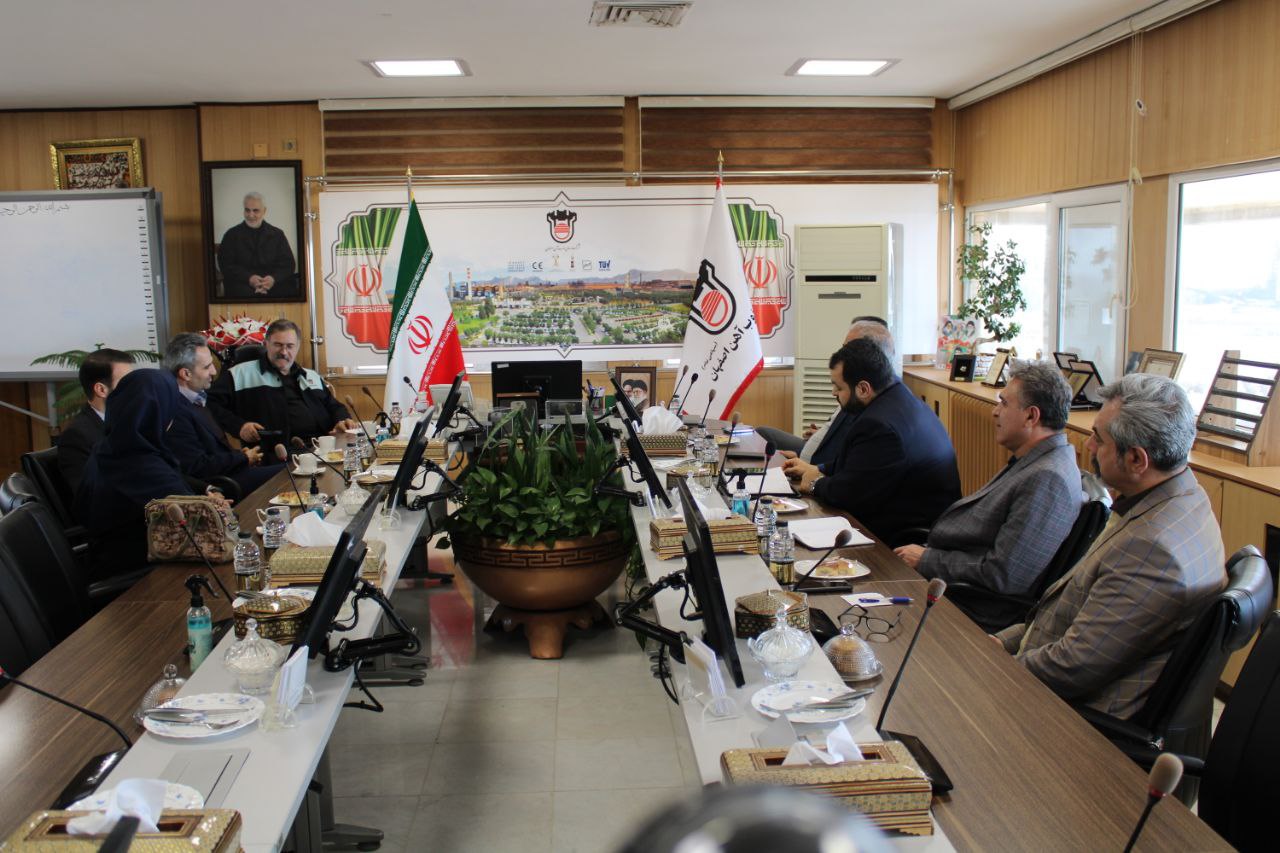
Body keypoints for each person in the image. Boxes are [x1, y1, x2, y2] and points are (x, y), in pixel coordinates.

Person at [996, 374, 1226, 720]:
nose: (1088, 446)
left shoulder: (1151, 550)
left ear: (1136, 460)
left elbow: (1071, 668)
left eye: (1098, 438)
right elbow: (1068, 618)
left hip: (1069, 719)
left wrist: (994, 665)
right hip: (1045, 665)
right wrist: (1003, 642)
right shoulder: (1187, 496)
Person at [894, 361, 1084, 626]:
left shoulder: (1047, 478)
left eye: (1004, 403)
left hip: (971, 606)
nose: (995, 412)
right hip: (952, 581)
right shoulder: (1037, 460)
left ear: (1031, 417)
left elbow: (1005, 574)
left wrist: (927, 559)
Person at [784, 338, 960, 546]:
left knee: (791, 533)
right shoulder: (898, 398)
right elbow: (861, 463)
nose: (834, 393)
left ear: (863, 389)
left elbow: (848, 494)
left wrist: (814, 484)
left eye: (838, 387)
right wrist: (816, 469)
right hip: (899, 516)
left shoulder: (880, 425)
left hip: (902, 539)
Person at [73, 369, 209, 581]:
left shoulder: (109, 447)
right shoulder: (141, 464)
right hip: (139, 580)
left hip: (107, 560)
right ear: (159, 412)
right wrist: (216, 507)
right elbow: (201, 524)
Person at [756, 316, 897, 463]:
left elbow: (846, 457)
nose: (833, 392)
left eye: (848, 347)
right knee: (763, 434)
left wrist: (810, 468)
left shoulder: (865, 397)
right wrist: (822, 435)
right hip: (814, 454)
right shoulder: (854, 383)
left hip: (816, 464)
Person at [207, 318, 358, 447]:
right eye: (278, 345)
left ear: (298, 346)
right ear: (266, 344)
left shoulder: (310, 375)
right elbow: (209, 403)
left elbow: (334, 406)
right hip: (275, 455)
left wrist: (342, 420)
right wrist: (239, 426)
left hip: (322, 448)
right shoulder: (239, 374)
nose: (284, 352)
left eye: (290, 346)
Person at [163, 332, 282, 495]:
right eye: (207, 367)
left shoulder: (197, 400)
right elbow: (196, 466)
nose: (214, 371)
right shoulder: (176, 412)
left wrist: (240, 456)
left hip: (232, 472)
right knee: (288, 473)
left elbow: (214, 450)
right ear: (186, 374)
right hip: (220, 486)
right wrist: (242, 458)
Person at [55, 348, 134, 495]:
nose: (136, 389)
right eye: (127, 382)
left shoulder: (130, 423)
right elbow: (90, 495)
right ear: (101, 390)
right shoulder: (77, 436)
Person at [217, 192, 297, 299]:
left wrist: (273, 279)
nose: (251, 215)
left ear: (264, 211)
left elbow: (288, 264)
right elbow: (225, 264)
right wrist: (249, 278)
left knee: (289, 291)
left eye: (255, 210)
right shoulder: (231, 235)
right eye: (247, 210)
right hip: (242, 283)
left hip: (274, 283)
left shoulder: (277, 234)